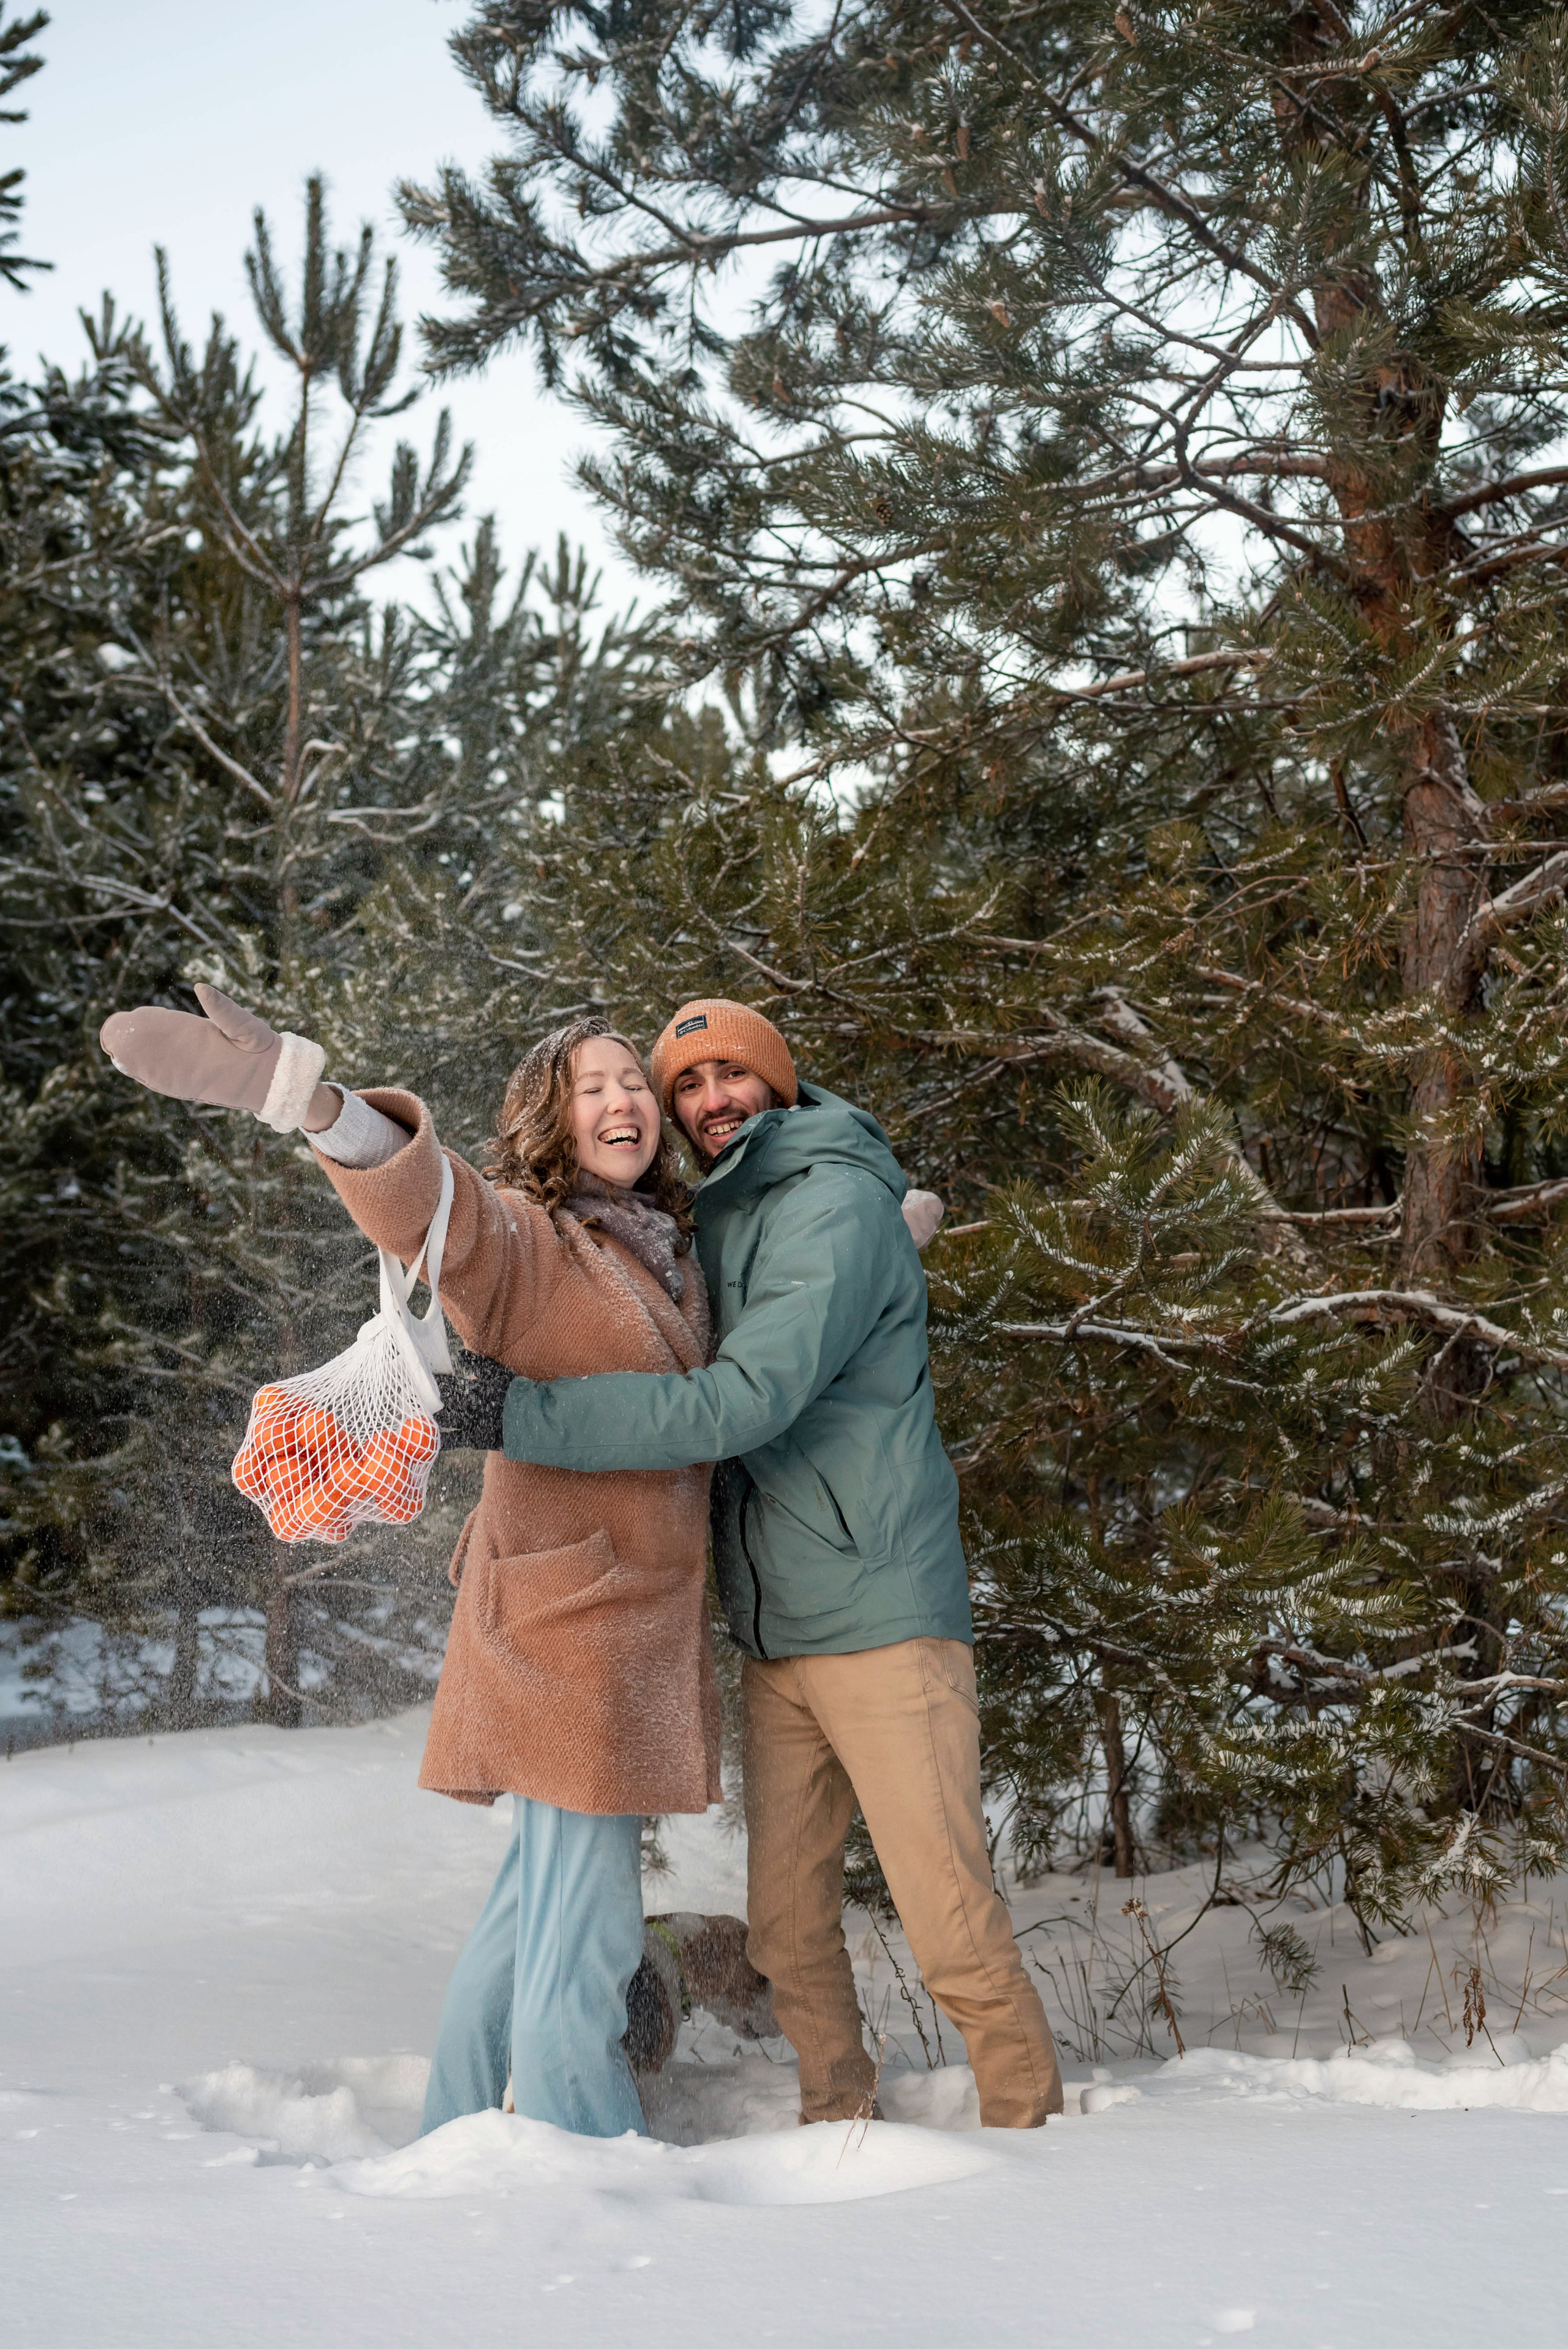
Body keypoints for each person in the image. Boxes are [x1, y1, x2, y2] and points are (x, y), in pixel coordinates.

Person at [98, 986, 721, 2141]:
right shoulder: (533, 1242)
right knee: (584, 1934)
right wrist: (309, 1099)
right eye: (593, 1086)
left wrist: (865, 1240)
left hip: (594, 1617)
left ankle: (452, 2138)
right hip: (574, 1621)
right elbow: (432, 1204)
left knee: (531, 1906)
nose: (625, 1098)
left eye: (634, 1081)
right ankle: (581, 2159)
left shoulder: (671, 1251)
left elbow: (765, 1347)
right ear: (552, 1119)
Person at [491, 998, 1065, 2129]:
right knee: (788, 1931)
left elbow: (744, 1399)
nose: (709, 1102)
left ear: (779, 1085)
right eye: (687, 1085)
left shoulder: (833, 1202)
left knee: (946, 1912)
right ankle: (833, 2125)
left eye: (731, 1078)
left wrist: (521, 1415)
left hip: (882, 1618)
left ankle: (1032, 2129)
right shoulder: (729, 1214)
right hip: (781, 1627)